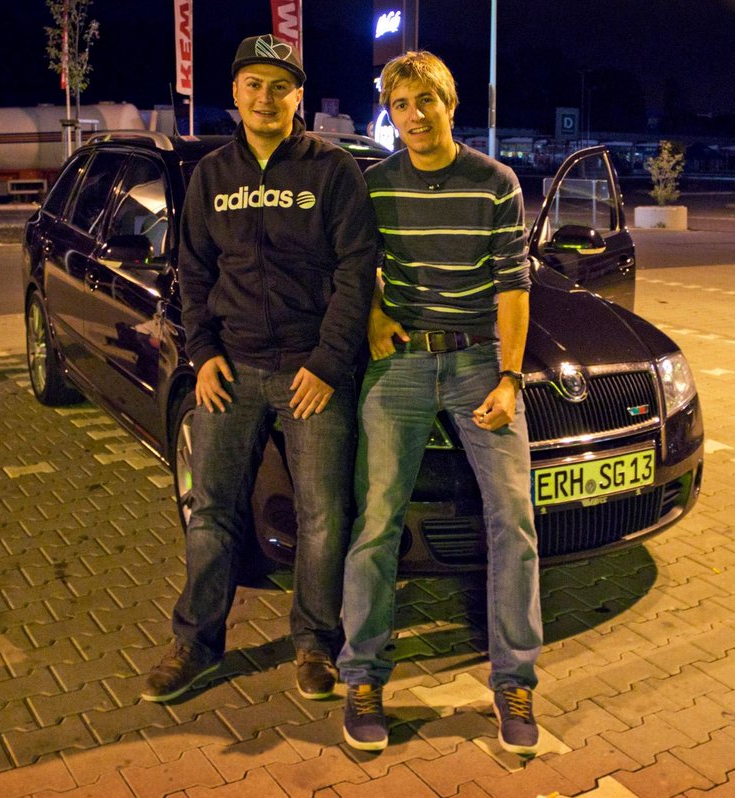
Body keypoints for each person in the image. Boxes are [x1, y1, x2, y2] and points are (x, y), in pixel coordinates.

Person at [141, 34, 378, 703]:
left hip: (313, 376)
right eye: (254, 84)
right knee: (212, 513)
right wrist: (203, 352)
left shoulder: (333, 172)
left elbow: (356, 273)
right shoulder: (212, 176)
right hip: (232, 372)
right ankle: (197, 642)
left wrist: (330, 363)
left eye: (281, 86)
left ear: (299, 97)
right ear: (236, 93)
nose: (266, 98)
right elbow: (193, 270)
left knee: (324, 516)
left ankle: (313, 646)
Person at [337, 50, 542, 755]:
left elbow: (513, 287)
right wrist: (369, 318)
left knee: (512, 516)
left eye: (427, 100)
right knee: (376, 520)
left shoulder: (496, 183)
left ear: (451, 105)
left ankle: (513, 681)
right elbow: (356, 268)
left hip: (478, 360)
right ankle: (362, 677)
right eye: (401, 105)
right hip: (399, 363)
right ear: (389, 115)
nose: (415, 116)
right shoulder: (375, 186)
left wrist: (510, 379)